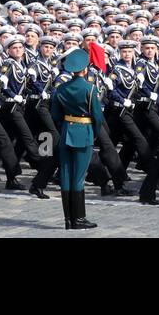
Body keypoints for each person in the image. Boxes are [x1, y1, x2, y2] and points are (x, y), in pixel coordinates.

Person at [50, 46, 106, 229]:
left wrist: (66, 124)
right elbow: (97, 117)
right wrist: (95, 132)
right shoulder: (90, 89)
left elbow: (55, 115)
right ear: (85, 69)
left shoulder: (60, 88)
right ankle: (79, 219)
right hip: (84, 132)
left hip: (67, 131)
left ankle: (68, 219)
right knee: (79, 177)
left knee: (66, 176)